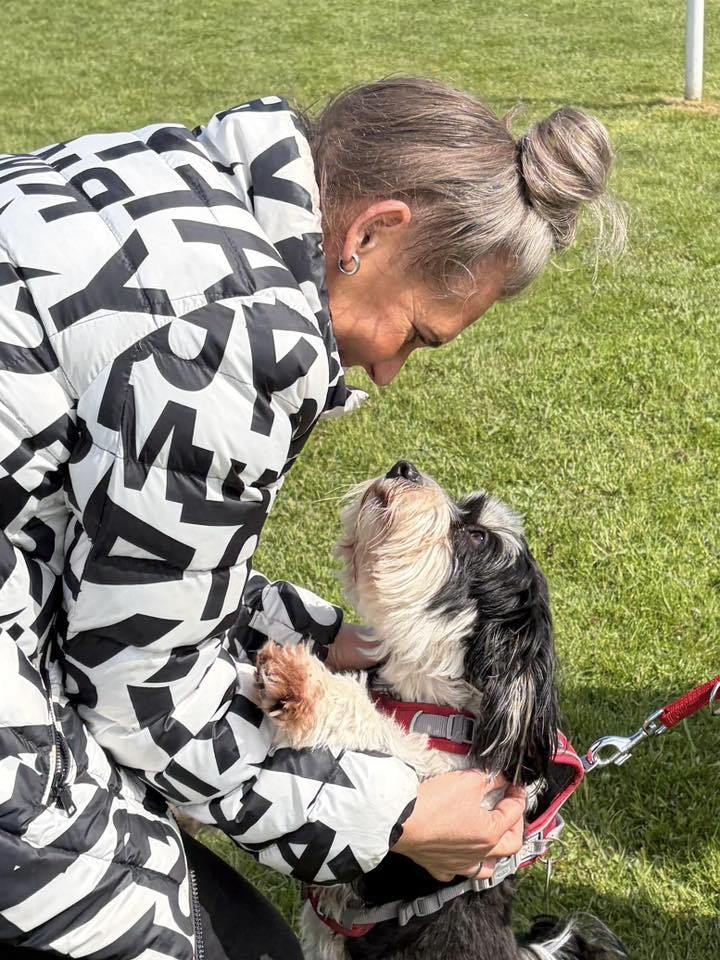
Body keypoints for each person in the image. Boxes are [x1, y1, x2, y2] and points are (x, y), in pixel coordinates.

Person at [0, 76, 623, 958]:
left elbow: (121, 558)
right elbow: (143, 701)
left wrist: (316, 633)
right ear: (370, 233)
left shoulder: (170, 171)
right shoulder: (240, 344)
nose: (391, 373)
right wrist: (400, 817)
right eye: (417, 333)